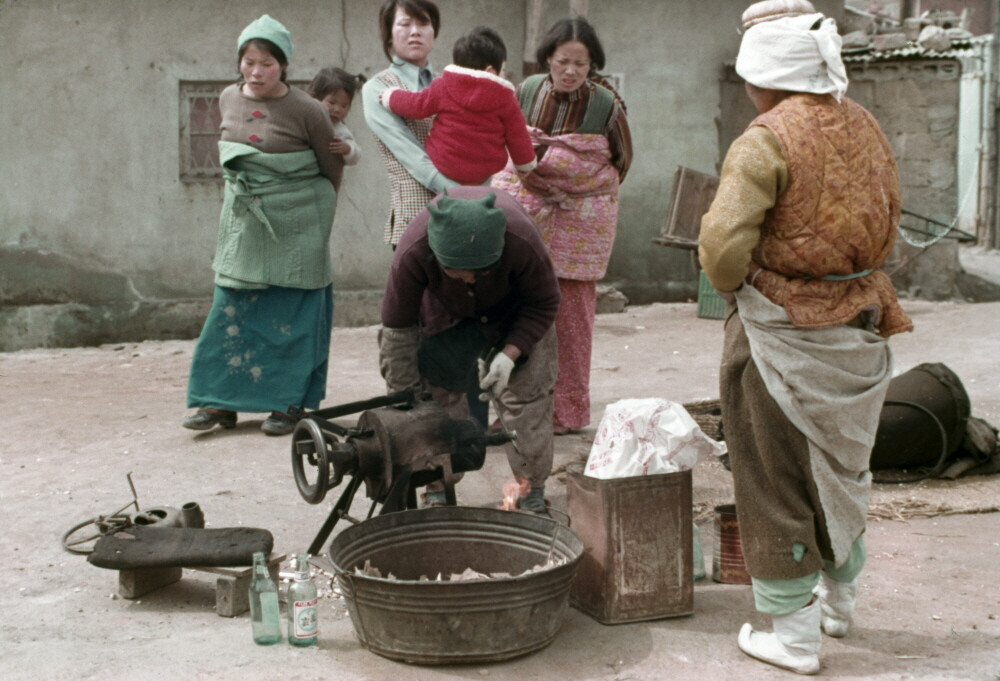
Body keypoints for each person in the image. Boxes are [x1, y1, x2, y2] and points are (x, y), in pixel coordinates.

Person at [697, 1, 913, 674]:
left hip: (781, 334)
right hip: (859, 325)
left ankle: (794, 638)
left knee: (775, 476)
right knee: (840, 471)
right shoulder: (864, 124)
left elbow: (721, 246)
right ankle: (838, 606)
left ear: (760, 78)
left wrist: (736, 282)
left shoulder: (765, 140)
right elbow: (890, 213)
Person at [183, 14, 343, 436]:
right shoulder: (227, 98)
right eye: (249, 62)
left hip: (298, 224)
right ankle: (218, 403)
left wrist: (313, 225)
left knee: (291, 315)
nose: (256, 72)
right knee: (229, 308)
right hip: (245, 223)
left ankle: (288, 403)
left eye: (267, 64)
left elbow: (331, 170)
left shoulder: (308, 110)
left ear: (284, 66)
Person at [378, 186, 560, 512]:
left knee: (528, 399)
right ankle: (436, 485)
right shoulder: (413, 251)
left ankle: (530, 488)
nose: (472, 280)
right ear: (436, 256)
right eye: (459, 273)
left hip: (514, 311)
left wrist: (510, 354)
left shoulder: (521, 240)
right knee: (434, 402)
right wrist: (407, 403)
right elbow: (397, 330)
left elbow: (545, 302)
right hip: (446, 316)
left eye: (481, 271)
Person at [492, 17, 632, 436]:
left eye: (580, 64)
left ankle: (566, 413)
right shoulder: (527, 91)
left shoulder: (607, 105)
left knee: (571, 321)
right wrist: (541, 183)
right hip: (528, 208)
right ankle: (515, 410)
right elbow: (508, 144)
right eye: (562, 61)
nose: (570, 71)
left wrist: (576, 185)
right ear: (548, 59)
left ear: (593, 65)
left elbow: (620, 162)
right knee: (517, 311)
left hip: (580, 218)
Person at [379, 26, 537, 185]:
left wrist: (390, 96)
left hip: (444, 163)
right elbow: (518, 137)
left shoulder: (444, 85)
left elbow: (416, 105)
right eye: (503, 70)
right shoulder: (506, 99)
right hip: (484, 172)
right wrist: (525, 166)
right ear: (491, 72)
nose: (504, 75)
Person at [361, 0, 458, 247]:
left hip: (462, 215)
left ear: (433, 32)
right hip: (415, 216)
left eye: (423, 23)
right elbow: (413, 157)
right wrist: (463, 194)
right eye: (405, 24)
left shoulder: (449, 83)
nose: (415, 31)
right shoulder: (378, 88)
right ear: (389, 35)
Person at [306, 66, 366, 166]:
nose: (337, 109)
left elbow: (355, 157)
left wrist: (347, 149)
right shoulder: (304, 119)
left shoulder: (339, 131)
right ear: (315, 97)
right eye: (332, 102)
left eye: (344, 106)